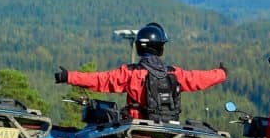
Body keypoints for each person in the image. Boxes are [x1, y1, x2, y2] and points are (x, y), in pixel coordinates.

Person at [53, 22, 226, 122]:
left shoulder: (130, 73)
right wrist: (221, 73)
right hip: (170, 127)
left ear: (138, 47)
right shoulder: (174, 73)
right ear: (159, 48)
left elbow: (99, 80)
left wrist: (68, 76)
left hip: (137, 126)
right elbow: (199, 78)